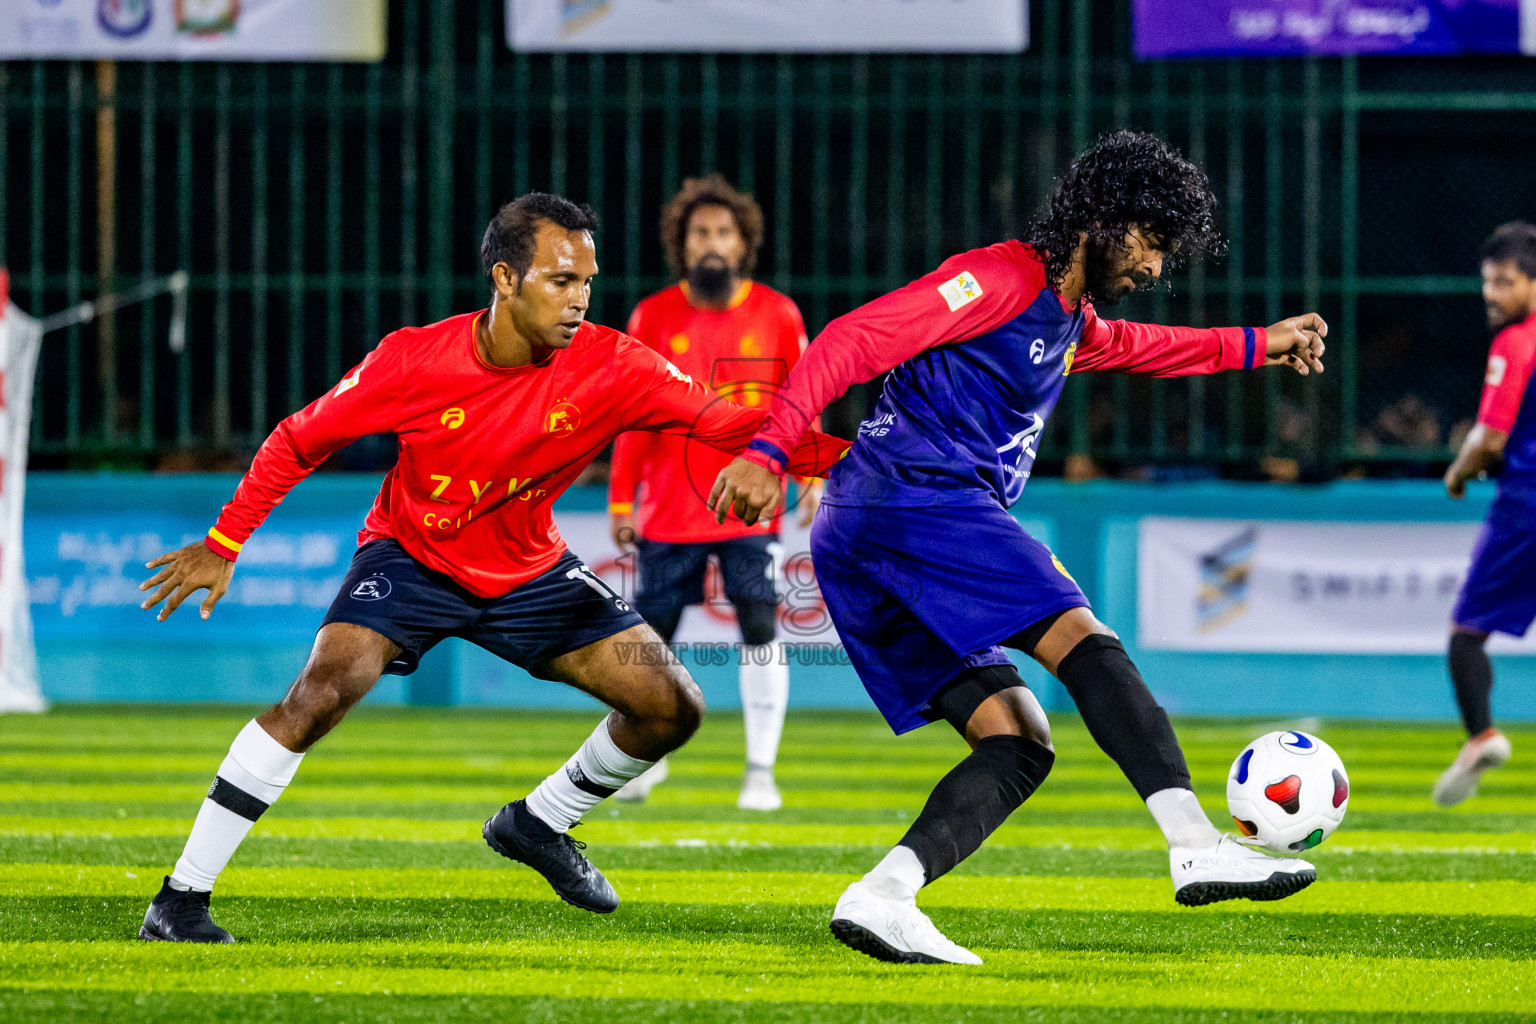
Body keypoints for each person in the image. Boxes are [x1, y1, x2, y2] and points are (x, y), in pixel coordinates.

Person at [134, 192, 847, 943]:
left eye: (587, 283)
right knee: (321, 691)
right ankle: (180, 898)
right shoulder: (412, 359)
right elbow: (297, 440)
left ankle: (539, 823)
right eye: (560, 281)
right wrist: (224, 541)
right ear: (504, 279)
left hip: (529, 570)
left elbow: (726, 422)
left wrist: (855, 454)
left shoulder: (614, 364)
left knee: (674, 706)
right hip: (412, 556)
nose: (580, 301)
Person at [709, 131, 1329, 965]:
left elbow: (1155, 348)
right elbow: (850, 341)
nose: (1152, 268)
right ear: (1104, 220)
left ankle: (884, 894)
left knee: (1019, 737)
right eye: (1148, 243)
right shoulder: (997, 279)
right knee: (1083, 638)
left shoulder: (1070, 319)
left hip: (869, 531)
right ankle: (1192, 842)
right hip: (913, 498)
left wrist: (1266, 341)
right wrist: (770, 451)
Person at [608, 174, 820, 811]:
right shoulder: (651, 315)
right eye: (700, 231)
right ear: (682, 241)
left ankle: (760, 773)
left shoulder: (779, 314)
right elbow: (633, 415)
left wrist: (808, 472)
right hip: (669, 509)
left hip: (751, 506)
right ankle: (644, 762)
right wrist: (622, 501)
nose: (712, 243)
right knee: (650, 644)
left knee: (760, 627)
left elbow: (800, 403)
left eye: (723, 232)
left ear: (742, 242)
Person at [1434, 221, 1536, 805]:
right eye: (1486, 282)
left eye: (1504, 281)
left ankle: (1481, 736)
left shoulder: (1515, 343)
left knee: (1466, 635)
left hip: (1525, 505)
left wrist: (1456, 472)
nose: (1490, 294)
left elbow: (1491, 438)